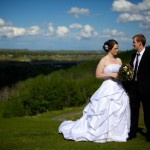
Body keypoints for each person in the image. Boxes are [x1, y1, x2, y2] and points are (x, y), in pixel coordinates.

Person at [58, 39, 130, 143]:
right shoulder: (103, 60)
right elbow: (98, 75)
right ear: (109, 49)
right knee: (104, 110)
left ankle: (115, 133)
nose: (117, 50)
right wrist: (111, 74)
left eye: (118, 48)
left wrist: (124, 75)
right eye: (115, 48)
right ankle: (101, 132)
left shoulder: (119, 60)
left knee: (117, 111)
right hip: (108, 87)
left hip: (119, 87)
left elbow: (121, 73)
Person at [127, 34, 150, 142]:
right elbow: (132, 70)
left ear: (140, 43)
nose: (133, 44)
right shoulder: (133, 55)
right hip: (134, 88)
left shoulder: (149, 55)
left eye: (134, 42)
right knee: (134, 111)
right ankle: (132, 133)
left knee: (148, 112)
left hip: (146, 88)